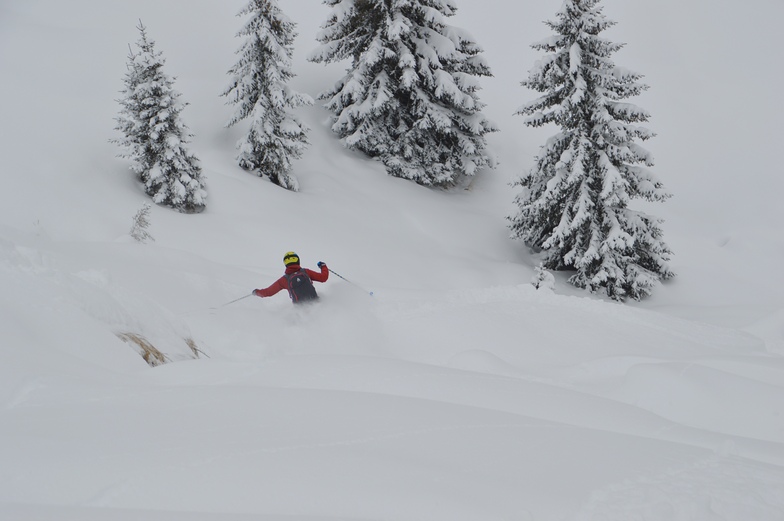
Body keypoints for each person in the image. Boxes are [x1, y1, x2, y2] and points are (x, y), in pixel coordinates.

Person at [253, 251, 329, 304]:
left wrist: (256, 292)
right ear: (298, 260)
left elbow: (268, 292)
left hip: (300, 310)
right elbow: (323, 278)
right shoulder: (306, 272)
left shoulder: (284, 280)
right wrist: (323, 266)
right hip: (316, 303)